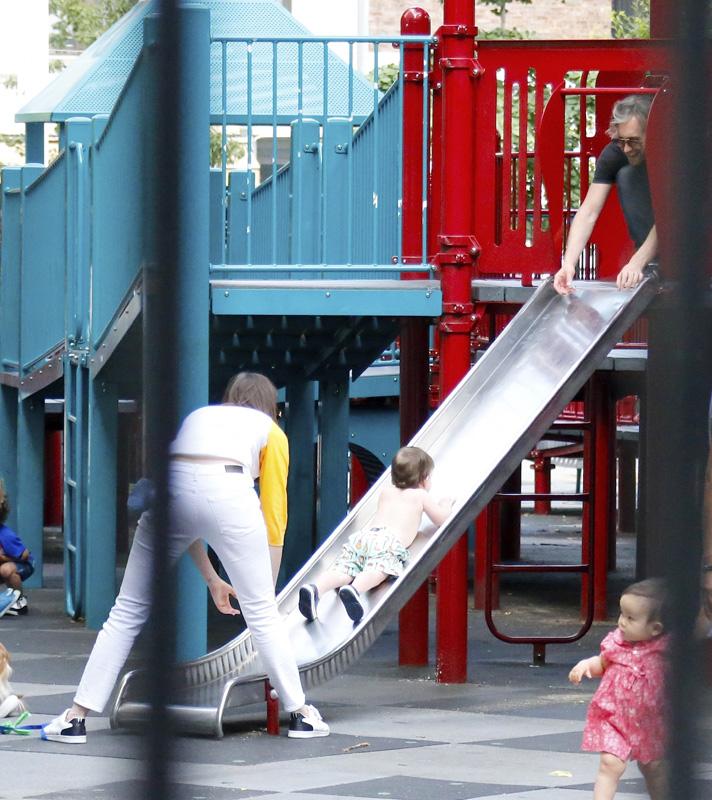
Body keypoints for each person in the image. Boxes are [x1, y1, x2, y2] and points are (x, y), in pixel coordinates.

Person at [42, 372, 329, 743]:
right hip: (230, 492)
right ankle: (301, 714)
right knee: (262, 615)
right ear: (269, 404)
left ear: (230, 395)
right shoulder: (270, 429)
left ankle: (75, 717)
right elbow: (275, 510)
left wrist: (211, 578)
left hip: (171, 490)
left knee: (127, 610)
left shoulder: (199, 417)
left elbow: (187, 506)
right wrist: (264, 587)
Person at [298, 446, 453, 625]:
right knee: (379, 570)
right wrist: (445, 504)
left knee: (345, 568)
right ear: (424, 479)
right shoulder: (420, 495)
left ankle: (316, 588)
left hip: (364, 538)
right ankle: (355, 589)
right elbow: (441, 519)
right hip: (388, 543)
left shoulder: (386, 492)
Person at [569, 578, 668, 800]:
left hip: (653, 722)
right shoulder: (616, 643)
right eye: (622, 614)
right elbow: (602, 663)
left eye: (631, 618)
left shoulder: (665, 652)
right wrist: (586, 665)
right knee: (610, 764)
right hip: (615, 717)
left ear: (655, 629)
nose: (622, 622)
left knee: (655, 769)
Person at [554, 94, 657, 295]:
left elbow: (672, 215)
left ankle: (653, 259)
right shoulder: (616, 152)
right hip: (653, 229)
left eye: (634, 141)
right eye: (621, 141)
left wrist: (637, 262)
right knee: (627, 174)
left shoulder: (672, 151)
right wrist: (568, 264)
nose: (626, 148)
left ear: (652, 132)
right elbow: (589, 211)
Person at [0, 479, 34, 617]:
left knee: (6, 570)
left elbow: (24, 555)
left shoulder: (5, 535)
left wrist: (3, 557)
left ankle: (19, 600)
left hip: (23, 563)